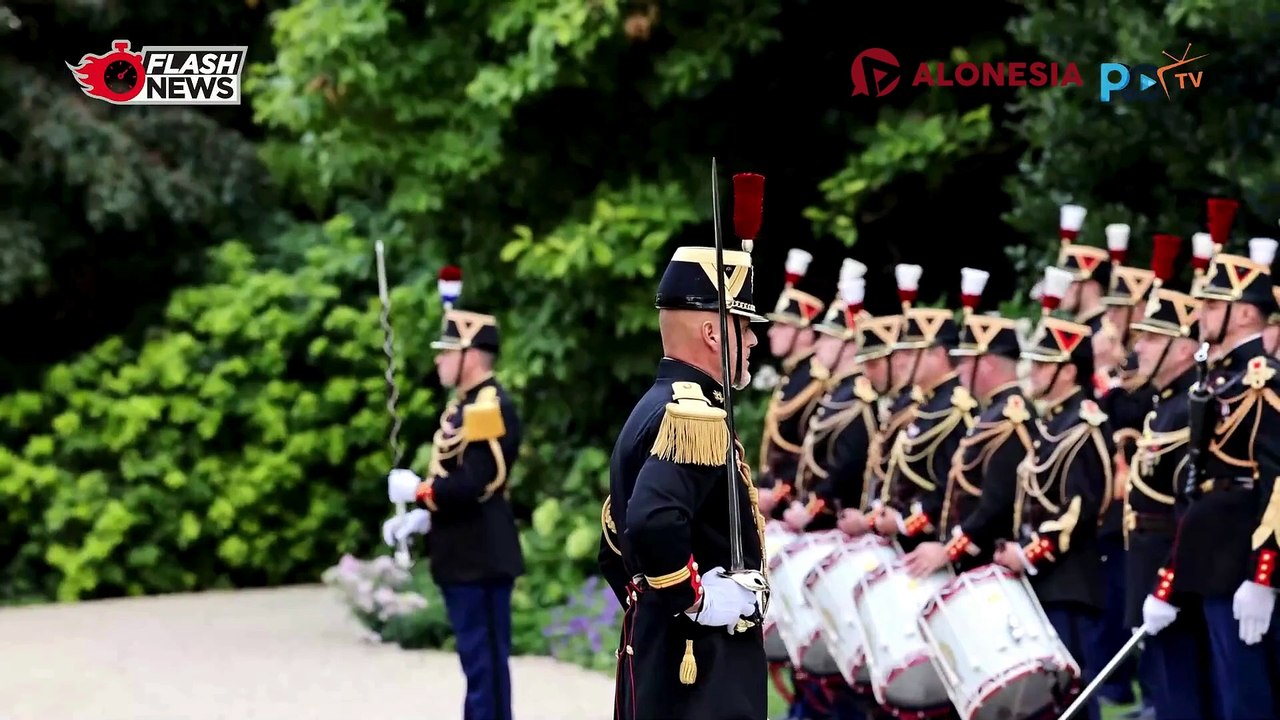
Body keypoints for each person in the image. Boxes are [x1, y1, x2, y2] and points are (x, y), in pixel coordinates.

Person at [600, 238, 769, 720]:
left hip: (660, 654)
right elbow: (653, 522)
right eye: (744, 326)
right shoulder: (694, 416)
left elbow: (615, 536)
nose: (754, 340)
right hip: (699, 666)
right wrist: (695, 600)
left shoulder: (654, 404)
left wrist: (651, 601)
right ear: (713, 333)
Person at [1140, 238, 1280, 719]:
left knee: (1251, 702)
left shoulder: (1261, 378)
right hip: (1216, 559)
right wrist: (1172, 580)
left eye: (1211, 304)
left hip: (1245, 561)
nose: (1200, 313)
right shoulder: (1223, 380)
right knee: (1229, 698)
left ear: (1243, 314)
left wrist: (1266, 572)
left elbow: (1275, 479)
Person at [383, 302, 524, 720]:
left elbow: (478, 480)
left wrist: (420, 491)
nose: (438, 358)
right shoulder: (465, 405)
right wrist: (424, 516)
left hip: (478, 557)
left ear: (472, 354)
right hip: (464, 555)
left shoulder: (486, 406)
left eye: (447, 350)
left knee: (486, 671)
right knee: (478, 667)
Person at [993, 268, 1115, 720]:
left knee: (1072, 701)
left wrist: (1029, 553)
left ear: (1068, 371)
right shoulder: (1054, 423)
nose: (1035, 372)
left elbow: (1076, 512)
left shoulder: (1082, 427)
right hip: (1044, 580)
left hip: (1067, 581)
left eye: (1045, 365)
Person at [903, 267, 1036, 577]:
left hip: (988, 561)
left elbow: (996, 503)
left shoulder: (1010, 417)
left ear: (986, 363)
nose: (959, 369)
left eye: (965, 361)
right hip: (971, 561)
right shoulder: (994, 412)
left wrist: (950, 548)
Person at [1123, 283, 1215, 719]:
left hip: (1174, 575)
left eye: (1154, 338)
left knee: (1183, 695)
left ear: (1185, 349)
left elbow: (1190, 507)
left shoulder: (1188, 408)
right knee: (1165, 690)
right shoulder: (1164, 407)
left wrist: (1166, 584)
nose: (1140, 347)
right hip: (1151, 568)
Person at [871, 265, 975, 555]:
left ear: (939, 354)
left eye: (910, 352)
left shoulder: (956, 406)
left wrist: (907, 522)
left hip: (930, 544)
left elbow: (949, 487)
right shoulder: (929, 402)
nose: (901, 360)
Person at [787, 259, 875, 534]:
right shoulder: (838, 393)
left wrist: (811, 511)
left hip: (836, 523)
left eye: (828, 339)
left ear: (850, 345)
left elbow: (845, 470)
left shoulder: (856, 399)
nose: (819, 345)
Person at [757, 248, 828, 521]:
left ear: (805, 331)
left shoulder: (814, 381)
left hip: (799, 509)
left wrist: (778, 495)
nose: (772, 332)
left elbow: (809, 452)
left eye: (783, 326)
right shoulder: (793, 377)